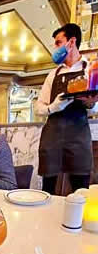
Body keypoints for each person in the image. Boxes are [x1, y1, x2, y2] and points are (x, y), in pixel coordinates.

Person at [37, 23, 98, 195]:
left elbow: (95, 108)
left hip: (78, 137)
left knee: (81, 190)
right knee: (47, 189)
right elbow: (39, 107)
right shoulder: (53, 74)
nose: (54, 47)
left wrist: (90, 103)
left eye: (58, 42)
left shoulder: (90, 70)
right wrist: (52, 107)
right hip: (52, 138)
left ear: (71, 42)